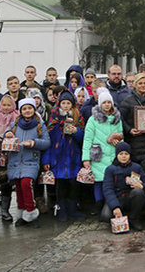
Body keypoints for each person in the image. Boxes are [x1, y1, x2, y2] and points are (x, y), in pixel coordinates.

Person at [4, 98, 50, 227]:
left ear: (34, 109)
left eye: (30, 108)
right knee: (18, 186)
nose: (27, 111)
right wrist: (7, 134)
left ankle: (31, 211)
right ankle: (22, 212)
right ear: (20, 111)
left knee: (26, 183)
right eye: (24, 109)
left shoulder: (39, 124)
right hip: (15, 161)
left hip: (31, 161)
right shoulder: (15, 124)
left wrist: (34, 143)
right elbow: (6, 136)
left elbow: (47, 142)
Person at [43, 92, 86, 221]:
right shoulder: (54, 119)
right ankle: (62, 210)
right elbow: (48, 142)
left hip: (73, 158)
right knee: (61, 185)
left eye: (68, 103)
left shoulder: (78, 117)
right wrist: (46, 160)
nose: (66, 106)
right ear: (59, 104)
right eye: (63, 103)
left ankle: (72, 210)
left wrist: (76, 132)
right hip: (58, 157)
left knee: (74, 185)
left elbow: (84, 138)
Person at [82, 90, 122, 221]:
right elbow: (87, 139)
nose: (106, 105)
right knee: (98, 181)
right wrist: (86, 158)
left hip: (112, 154)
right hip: (98, 155)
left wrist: (118, 141)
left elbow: (121, 135)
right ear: (99, 104)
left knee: (110, 181)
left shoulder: (117, 119)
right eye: (104, 102)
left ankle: (108, 204)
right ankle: (98, 204)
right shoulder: (93, 119)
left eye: (108, 102)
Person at [102, 142, 145, 231]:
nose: (124, 156)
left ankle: (133, 218)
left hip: (130, 198)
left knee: (138, 192)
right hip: (117, 198)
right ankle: (120, 217)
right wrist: (115, 207)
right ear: (117, 155)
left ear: (130, 155)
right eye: (121, 154)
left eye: (126, 154)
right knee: (105, 216)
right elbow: (107, 189)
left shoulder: (137, 167)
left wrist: (142, 186)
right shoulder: (110, 169)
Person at [119, 73, 145, 164]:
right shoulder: (128, 100)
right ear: (135, 85)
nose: (143, 86)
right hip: (135, 140)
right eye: (140, 83)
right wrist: (129, 130)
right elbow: (121, 118)